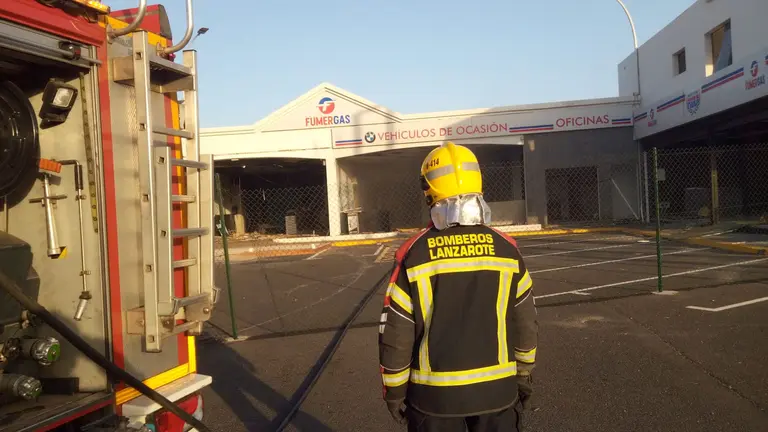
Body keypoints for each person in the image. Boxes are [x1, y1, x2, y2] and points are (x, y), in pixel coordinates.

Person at [378, 141, 538, 432]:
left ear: (429, 190)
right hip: (498, 394)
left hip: (434, 400)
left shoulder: (413, 255)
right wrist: (523, 376)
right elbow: (525, 325)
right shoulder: (508, 249)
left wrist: (395, 392)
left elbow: (396, 333)